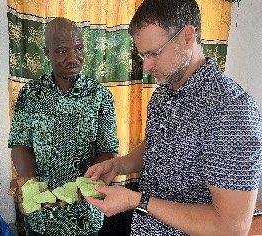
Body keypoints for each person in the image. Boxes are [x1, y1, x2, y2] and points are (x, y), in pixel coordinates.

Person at [84, 0, 262, 235]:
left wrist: (137, 201)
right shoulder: (163, 94)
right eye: (142, 55)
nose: (146, 65)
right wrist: (119, 164)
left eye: (154, 53)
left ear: (187, 36)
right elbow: (158, 146)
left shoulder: (230, 110)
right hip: (143, 225)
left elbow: (231, 227)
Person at [8, 17, 119, 236]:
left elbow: (108, 150)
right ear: (46, 52)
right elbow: (20, 142)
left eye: (78, 48)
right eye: (61, 51)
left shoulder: (100, 95)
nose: (73, 58)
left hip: (84, 215)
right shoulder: (31, 94)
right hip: (42, 215)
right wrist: (28, 178)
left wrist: (82, 185)